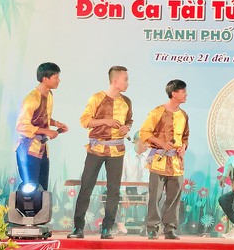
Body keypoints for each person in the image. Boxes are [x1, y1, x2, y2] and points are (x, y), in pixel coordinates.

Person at [67, 66, 133, 240]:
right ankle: (78, 228)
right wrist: (106, 121)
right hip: (96, 149)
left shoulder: (126, 101)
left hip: (117, 150)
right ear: (115, 81)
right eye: (125, 79)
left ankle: (107, 228)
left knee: (113, 191)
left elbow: (129, 120)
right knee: (86, 187)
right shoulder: (97, 98)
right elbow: (84, 121)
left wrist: (127, 127)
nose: (128, 82)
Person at [138, 79, 190, 240]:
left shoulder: (183, 115)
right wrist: (161, 143)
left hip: (176, 163)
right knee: (155, 196)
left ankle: (170, 228)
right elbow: (144, 133)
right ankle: (152, 228)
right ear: (174, 93)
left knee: (174, 197)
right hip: (159, 161)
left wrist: (183, 147)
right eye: (183, 91)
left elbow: (185, 136)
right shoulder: (157, 112)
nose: (186, 94)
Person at [15, 62, 68, 191]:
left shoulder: (49, 95)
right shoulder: (31, 99)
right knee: (31, 188)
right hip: (28, 148)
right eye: (56, 77)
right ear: (45, 79)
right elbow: (21, 125)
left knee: (43, 188)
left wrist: (56, 124)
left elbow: (43, 117)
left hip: (42, 148)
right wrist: (47, 131)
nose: (59, 80)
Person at [115, 137, 150, 235]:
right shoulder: (126, 156)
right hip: (130, 189)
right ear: (136, 141)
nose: (147, 145)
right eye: (144, 142)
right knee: (108, 194)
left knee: (160, 196)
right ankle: (120, 225)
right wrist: (123, 192)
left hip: (145, 189)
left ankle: (147, 226)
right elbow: (121, 176)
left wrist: (150, 190)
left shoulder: (151, 156)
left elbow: (150, 176)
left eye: (148, 143)